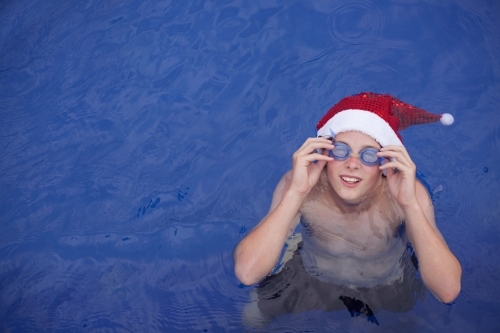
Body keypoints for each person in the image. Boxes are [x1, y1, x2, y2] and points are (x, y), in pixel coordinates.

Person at [233, 92, 462, 325]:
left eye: (369, 155)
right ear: (324, 152)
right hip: (310, 277)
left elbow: (447, 291)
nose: (352, 164)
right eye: (340, 150)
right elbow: (247, 273)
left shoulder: (406, 194)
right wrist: (296, 194)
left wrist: (410, 205)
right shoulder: (302, 184)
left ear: (386, 162)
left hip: (389, 285)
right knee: (250, 320)